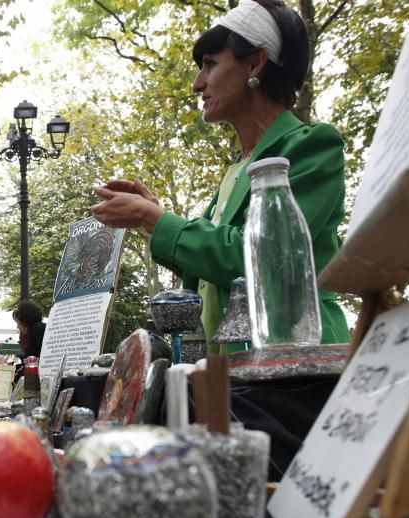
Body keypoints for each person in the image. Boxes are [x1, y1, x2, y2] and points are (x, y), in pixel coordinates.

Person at [92, 0, 350, 477]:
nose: (197, 83)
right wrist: (157, 213)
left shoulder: (312, 146)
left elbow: (250, 255)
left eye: (211, 65)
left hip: (294, 377)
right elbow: (206, 268)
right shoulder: (235, 172)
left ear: (256, 63)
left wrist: (155, 221)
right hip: (238, 378)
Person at [12, 300, 46, 382]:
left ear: (24, 321)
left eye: (18, 322)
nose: (17, 326)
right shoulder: (27, 335)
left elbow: (48, 356)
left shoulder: (39, 329)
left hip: (40, 378)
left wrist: (36, 360)